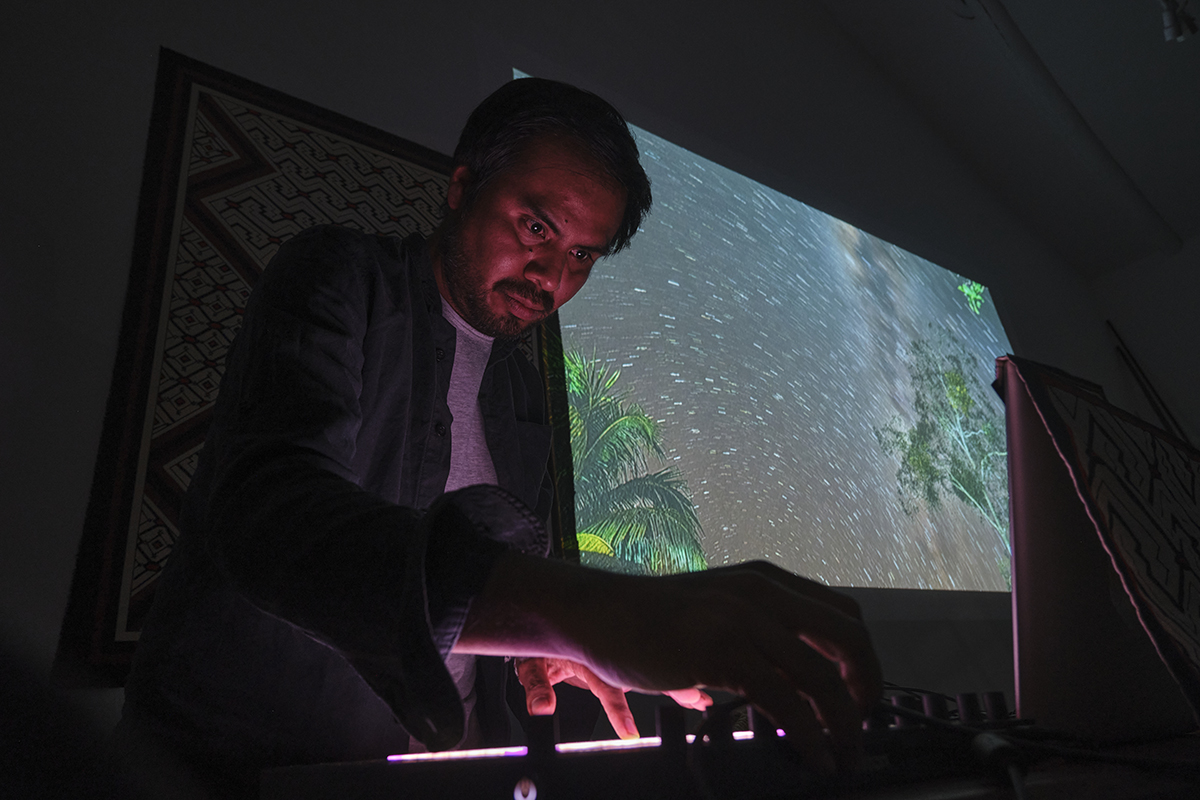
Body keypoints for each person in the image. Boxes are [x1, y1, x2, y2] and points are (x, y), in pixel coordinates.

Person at [113, 77, 882, 798]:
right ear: (462, 187)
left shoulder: (521, 384)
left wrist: (545, 643)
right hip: (249, 769)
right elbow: (268, 518)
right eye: (536, 226)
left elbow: (500, 582)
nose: (550, 275)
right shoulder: (336, 273)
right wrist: (584, 613)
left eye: (581, 255)